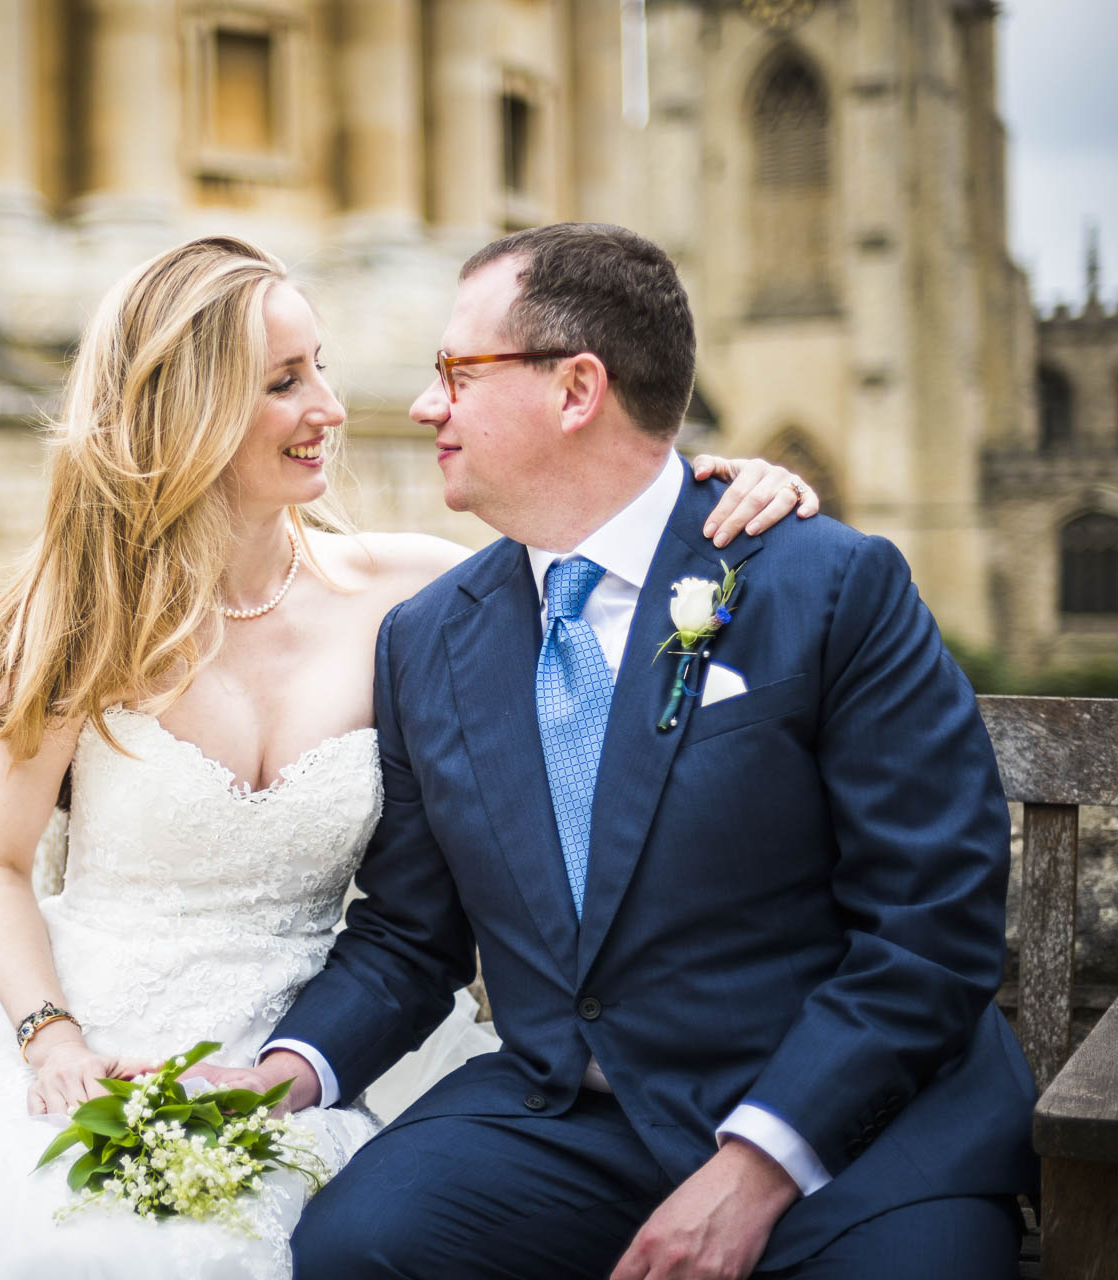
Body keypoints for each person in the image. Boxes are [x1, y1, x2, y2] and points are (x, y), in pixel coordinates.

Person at [0, 235, 819, 1279]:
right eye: (283, 383)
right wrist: (50, 1037)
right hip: (98, 1045)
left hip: (335, 1043)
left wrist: (728, 489)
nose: (331, 408)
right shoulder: (75, 625)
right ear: (189, 409)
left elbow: (607, 539)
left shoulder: (413, 596)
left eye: (322, 369)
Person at [203, 222, 1036, 1278]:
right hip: (575, 1123)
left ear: (576, 388)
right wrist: (288, 1070)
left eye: (456, 371)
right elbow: (413, 938)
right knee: (358, 1246)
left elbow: (930, 926)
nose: (425, 406)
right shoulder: (428, 638)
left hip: (856, 1134)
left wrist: (757, 1164)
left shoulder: (827, 584)